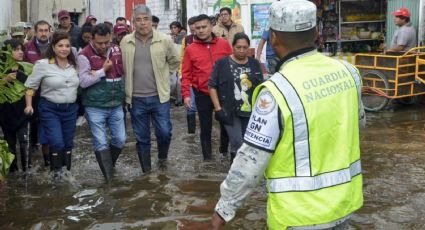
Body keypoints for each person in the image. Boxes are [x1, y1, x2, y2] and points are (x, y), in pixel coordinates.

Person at [211, 0, 366, 229]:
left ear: (273, 38)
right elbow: (358, 125)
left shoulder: (275, 91)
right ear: (315, 33)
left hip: (298, 215)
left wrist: (224, 208)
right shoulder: (349, 73)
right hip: (344, 205)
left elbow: (252, 158)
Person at [121, 5, 180, 173]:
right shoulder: (126, 41)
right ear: (133, 22)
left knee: (164, 133)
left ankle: (162, 158)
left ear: (151, 20)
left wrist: (164, 75)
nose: (142, 23)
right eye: (138, 20)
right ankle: (146, 172)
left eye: (145, 19)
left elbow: (175, 61)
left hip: (159, 97)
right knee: (141, 137)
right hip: (136, 98)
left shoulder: (164, 40)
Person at [24, 31, 80, 176]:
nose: (64, 49)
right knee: (57, 143)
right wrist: (29, 105)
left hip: (70, 110)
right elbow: (30, 87)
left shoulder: (74, 64)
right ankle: (56, 176)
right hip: (50, 109)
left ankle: (66, 174)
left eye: (67, 46)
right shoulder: (43, 65)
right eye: (60, 45)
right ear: (53, 47)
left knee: (68, 144)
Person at [78, 23, 126, 182]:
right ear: (91, 39)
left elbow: (123, 72)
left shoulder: (117, 50)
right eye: (99, 43)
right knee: (100, 142)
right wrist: (101, 71)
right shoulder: (84, 55)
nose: (104, 46)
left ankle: (108, 167)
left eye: (107, 42)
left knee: (120, 139)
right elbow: (83, 81)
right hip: (95, 106)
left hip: (116, 103)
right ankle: (109, 180)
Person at [181, 14, 232, 161]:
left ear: (211, 26)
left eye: (204, 27)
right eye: (198, 28)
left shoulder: (224, 44)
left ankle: (223, 152)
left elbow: (232, 66)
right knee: (205, 128)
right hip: (201, 93)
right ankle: (207, 160)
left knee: (225, 125)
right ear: (194, 30)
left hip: (223, 93)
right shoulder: (190, 49)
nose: (201, 30)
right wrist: (186, 95)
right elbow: (186, 74)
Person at [209, 33, 263, 163]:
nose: (242, 50)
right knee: (237, 141)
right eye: (238, 47)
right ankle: (234, 172)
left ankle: (244, 169)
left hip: (250, 111)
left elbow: (261, 86)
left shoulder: (254, 64)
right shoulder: (222, 63)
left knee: (247, 143)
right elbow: (212, 86)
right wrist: (218, 108)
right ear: (233, 46)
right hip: (229, 110)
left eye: (245, 47)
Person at [0, 39, 33, 172]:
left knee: (25, 142)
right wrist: (5, 80)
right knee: (10, 144)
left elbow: (30, 88)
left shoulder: (26, 67)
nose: (20, 52)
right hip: (4, 113)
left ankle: (28, 171)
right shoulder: (1, 69)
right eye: (16, 49)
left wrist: (30, 105)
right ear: (7, 52)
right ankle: (13, 171)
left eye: (21, 49)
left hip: (22, 111)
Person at [24, 20, 51, 167]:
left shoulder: (56, 47)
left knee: (46, 122)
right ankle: (34, 147)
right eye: (40, 30)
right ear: (35, 32)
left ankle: (48, 159)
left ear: (50, 31)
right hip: (32, 90)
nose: (43, 33)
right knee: (33, 120)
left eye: (46, 30)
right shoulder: (27, 47)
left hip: (50, 90)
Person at [180, 16, 198, 134]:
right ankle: (191, 133)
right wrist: (181, 74)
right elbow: (182, 58)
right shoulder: (186, 40)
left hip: (204, 79)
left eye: (195, 29)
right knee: (190, 107)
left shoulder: (210, 40)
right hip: (190, 79)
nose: (195, 32)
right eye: (192, 30)